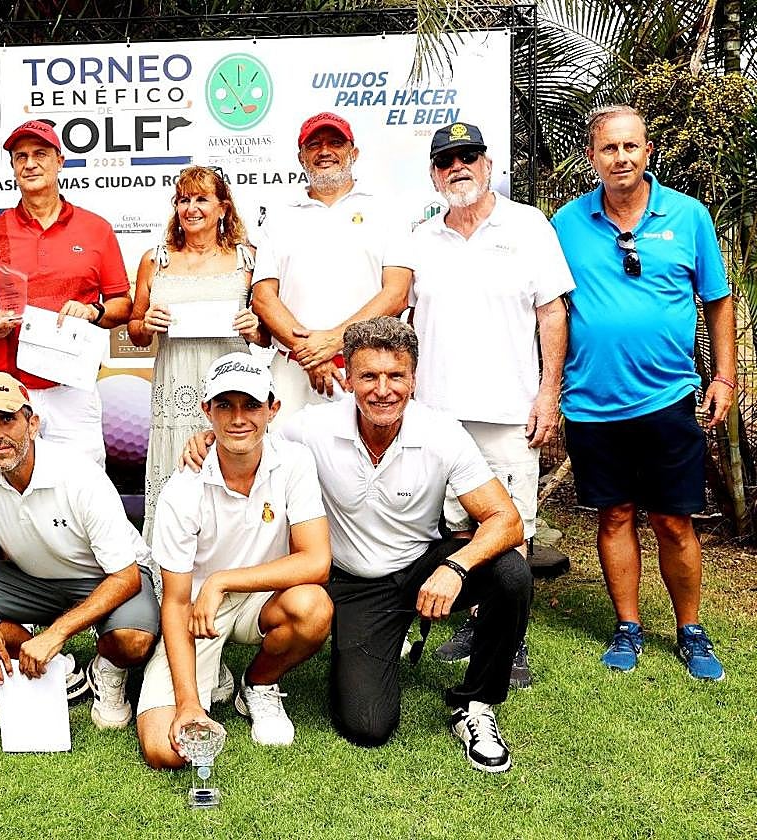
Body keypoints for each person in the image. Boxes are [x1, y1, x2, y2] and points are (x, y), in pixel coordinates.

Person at [184, 318, 531, 772]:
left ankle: (476, 706)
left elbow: (507, 520)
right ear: (347, 377)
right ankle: (339, 655)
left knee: (510, 573)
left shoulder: (441, 433)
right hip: (353, 583)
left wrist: (457, 567)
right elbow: (248, 430)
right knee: (367, 725)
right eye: (368, 376)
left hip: (424, 567)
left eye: (396, 376)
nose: (382, 390)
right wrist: (209, 436)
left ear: (413, 379)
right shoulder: (311, 428)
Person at [551, 104, 735, 681]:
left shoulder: (688, 216)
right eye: (609, 148)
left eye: (631, 146)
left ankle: (690, 629)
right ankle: (627, 626)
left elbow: (718, 299)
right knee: (613, 516)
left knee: (674, 520)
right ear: (592, 157)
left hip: (669, 397)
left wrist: (725, 378)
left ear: (647, 150)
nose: (621, 157)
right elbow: (550, 306)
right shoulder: (566, 224)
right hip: (591, 401)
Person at [392, 122, 575, 687]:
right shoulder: (420, 239)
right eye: (447, 161)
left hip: (508, 411)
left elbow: (551, 313)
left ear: (489, 165)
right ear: (433, 174)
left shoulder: (528, 225)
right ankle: (475, 620)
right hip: (437, 414)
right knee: (452, 528)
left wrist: (548, 392)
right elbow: (403, 320)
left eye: (470, 156)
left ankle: (510, 640)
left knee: (511, 526)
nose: (459, 168)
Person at [0, 372, 160, 730]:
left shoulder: (79, 474)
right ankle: (54, 668)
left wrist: (57, 632)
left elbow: (126, 576)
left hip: (104, 576)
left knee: (132, 641)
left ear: (32, 424)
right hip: (32, 580)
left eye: (7, 420)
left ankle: (105, 670)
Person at [136, 352, 331, 769]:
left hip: (260, 596)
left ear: (272, 409)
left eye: (251, 405)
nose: (238, 418)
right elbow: (174, 601)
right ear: (206, 410)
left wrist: (222, 580)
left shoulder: (294, 463)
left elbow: (316, 561)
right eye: (225, 405)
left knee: (312, 607)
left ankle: (258, 684)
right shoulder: (181, 490)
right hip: (197, 614)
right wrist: (188, 704)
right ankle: (208, 678)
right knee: (165, 751)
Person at [0, 120, 131, 466]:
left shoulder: (96, 230)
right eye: (20, 157)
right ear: (12, 167)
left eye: (40, 154)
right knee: (12, 486)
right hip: (10, 389)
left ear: (60, 161)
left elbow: (122, 305)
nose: (30, 164)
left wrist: (94, 312)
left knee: (82, 486)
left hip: (74, 388)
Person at [127, 165, 264, 539]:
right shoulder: (155, 260)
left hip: (232, 387)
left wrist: (257, 328)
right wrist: (147, 323)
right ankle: (169, 579)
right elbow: (136, 331)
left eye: (202, 199)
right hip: (176, 386)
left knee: (232, 478)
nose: (191, 208)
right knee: (177, 481)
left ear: (223, 207)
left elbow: (267, 335)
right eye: (183, 199)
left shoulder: (248, 259)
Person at [250, 112, 411, 420]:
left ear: (354, 153)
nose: (325, 151)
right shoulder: (279, 215)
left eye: (336, 142)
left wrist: (335, 341)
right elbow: (263, 297)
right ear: (301, 158)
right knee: (287, 463)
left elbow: (397, 293)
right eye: (314, 144)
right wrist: (311, 354)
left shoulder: (387, 209)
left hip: (366, 374)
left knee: (366, 466)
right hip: (293, 372)